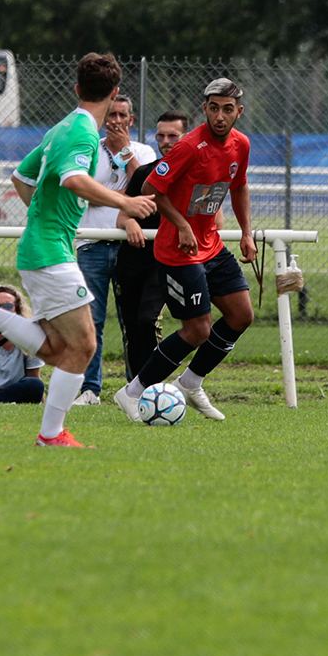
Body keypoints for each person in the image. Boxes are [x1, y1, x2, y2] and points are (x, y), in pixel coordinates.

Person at [0, 52, 155, 448]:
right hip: (50, 252)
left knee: (58, 349)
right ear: (115, 92)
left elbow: (21, 177)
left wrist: (45, 214)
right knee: (85, 345)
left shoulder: (61, 128)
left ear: (76, 89)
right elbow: (72, 179)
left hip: (43, 248)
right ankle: (50, 434)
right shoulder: (84, 133)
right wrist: (125, 203)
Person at [114, 79, 255, 423]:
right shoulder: (190, 147)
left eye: (227, 109)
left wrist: (247, 233)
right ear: (205, 109)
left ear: (238, 112)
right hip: (178, 251)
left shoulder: (241, 144)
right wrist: (181, 224)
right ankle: (132, 392)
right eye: (214, 108)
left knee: (241, 315)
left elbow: (239, 187)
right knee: (198, 330)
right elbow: (151, 188)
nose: (220, 116)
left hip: (212, 246)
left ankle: (192, 382)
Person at [71, 93, 156, 405]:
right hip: (91, 244)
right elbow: (84, 195)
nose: (116, 121)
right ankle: (90, 389)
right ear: (102, 117)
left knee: (132, 321)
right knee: (90, 321)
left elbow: (148, 191)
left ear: (131, 120)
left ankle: (137, 389)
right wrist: (123, 194)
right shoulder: (87, 147)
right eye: (111, 115)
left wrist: (126, 155)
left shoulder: (144, 152)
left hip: (130, 248)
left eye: (122, 115)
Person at [111, 111, 189, 382]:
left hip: (166, 261)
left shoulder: (194, 174)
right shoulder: (145, 173)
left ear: (186, 137)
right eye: (161, 135)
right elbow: (123, 214)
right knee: (131, 329)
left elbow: (214, 220)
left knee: (148, 320)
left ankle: (154, 384)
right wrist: (129, 223)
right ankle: (137, 390)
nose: (165, 141)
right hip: (132, 261)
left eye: (173, 135)